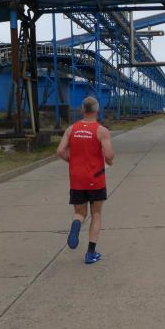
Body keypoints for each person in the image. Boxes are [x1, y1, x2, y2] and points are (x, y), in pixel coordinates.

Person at [57, 96, 115, 265]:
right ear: (97, 110)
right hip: (95, 178)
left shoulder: (71, 129)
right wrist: (109, 161)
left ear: (82, 110)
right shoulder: (101, 130)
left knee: (80, 213)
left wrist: (71, 161)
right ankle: (90, 253)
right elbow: (109, 155)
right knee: (96, 214)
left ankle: (76, 225)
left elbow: (60, 151)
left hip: (77, 178)